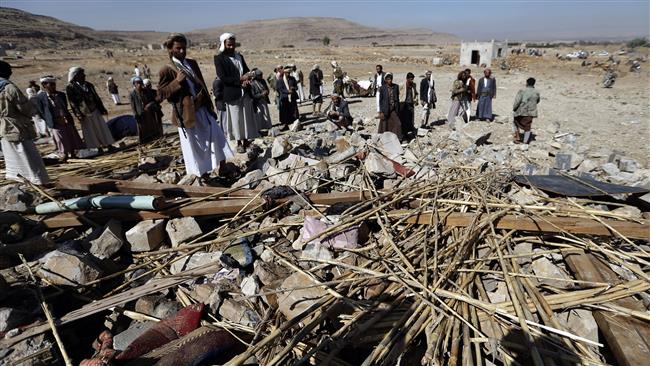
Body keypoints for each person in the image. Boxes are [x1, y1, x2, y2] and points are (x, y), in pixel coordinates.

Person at [157, 33, 233, 177]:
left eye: (184, 48)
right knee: (195, 146)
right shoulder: (167, 69)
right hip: (186, 114)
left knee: (217, 135)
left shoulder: (191, 63)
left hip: (202, 108)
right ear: (170, 49)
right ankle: (201, 174)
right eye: (178, 48)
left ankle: (222, 167)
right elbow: (160, 94)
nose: (182, 51)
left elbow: (201, 84)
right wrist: (176, 82)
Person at [0, 60, 49, 185]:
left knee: (12, 155)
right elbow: (25, 108)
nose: (11, 72)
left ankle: (19, 180)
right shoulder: (8, 87)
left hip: (3, 128)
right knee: (27, 155)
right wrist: (33, 106)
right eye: (9, 70)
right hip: (16, 127)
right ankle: (37, 182)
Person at [214, 32, 259, 153]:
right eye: (229, 45)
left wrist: (248, 78)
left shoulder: (239, 56)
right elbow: (223, 77)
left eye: (233, 45)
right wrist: (240, 80)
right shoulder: (219, 59)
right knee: (236, 119)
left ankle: (246, 141)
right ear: (223, 44)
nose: (231, 47)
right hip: (232, 93)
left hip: (245, 92)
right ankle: (238, 142)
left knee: (246, 118)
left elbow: (246, 70)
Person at [66, 66, 116, 153]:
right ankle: (97, 148)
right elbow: (73, 103)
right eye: (81, 74)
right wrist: (78, 114)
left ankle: (108, 145)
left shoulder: (89, 85)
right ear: (76, 76)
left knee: (102, 128)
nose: (84, 75)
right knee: (90, 132)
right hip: (84, 113)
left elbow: (96, 97)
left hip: (95, 109)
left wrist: (102, 108)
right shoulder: (71, 88)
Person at [35, 75, 85, 161]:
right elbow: (41, 111)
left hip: (65, 118)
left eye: (54, 84)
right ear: (44, 85)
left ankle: (73, 153)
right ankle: (64, 154)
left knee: (70, 135)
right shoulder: (40, 98)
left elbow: (64, 106)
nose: (53, 86)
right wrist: (49, 120)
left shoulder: (61, 95)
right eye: (51, 84)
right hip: (55, 121)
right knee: (60, 138)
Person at [129, 76, 163, 144]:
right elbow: (133, 106)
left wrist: (149, 105)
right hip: (140, 114)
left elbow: (154, 100)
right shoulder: (132, 94)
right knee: (142, 129)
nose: (139, 84)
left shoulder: (146, 91)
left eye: (140, 83)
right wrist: (135, 114)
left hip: (149, 113)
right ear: (134, 84)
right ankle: (145, 142)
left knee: (151, 127)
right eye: (137, 83)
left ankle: (154, 140)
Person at [512, 77, 540, 144]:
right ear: (534, 84)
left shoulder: (522, 91)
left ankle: (517, 138)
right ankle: (525, 141)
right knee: (527, 126)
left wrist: (514, 108)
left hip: (521, 111)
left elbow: (517, 101)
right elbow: (538, 101)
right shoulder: (536, 92)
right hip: (531, 112)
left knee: (515, 123)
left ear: (526, 83)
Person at [377, 73, 402, 140]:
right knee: (385, 125)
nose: (390, 81)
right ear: (385, 80)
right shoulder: (382, 88)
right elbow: (380, 100)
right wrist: (381, 111)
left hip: (393, 108)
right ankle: (384, 139)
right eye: (388, 79)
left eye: (391, 79)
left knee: (398, 123)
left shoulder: (396, 86)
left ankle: (398, 138)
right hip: (385, 109)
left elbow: (397, 98)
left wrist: (398, 109)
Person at [399, 72, 418, 140]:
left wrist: (416, 100)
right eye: (410, 79)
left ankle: (410, 131)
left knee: (411, 119)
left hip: (411, 104)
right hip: (404, 104)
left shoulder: (414, 85)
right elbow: (398, 93)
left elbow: (416, 93)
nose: (412, 80)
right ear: (407, 79)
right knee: (404, 119)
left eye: (412, 79)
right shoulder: (402, 85)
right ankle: (403, 133)